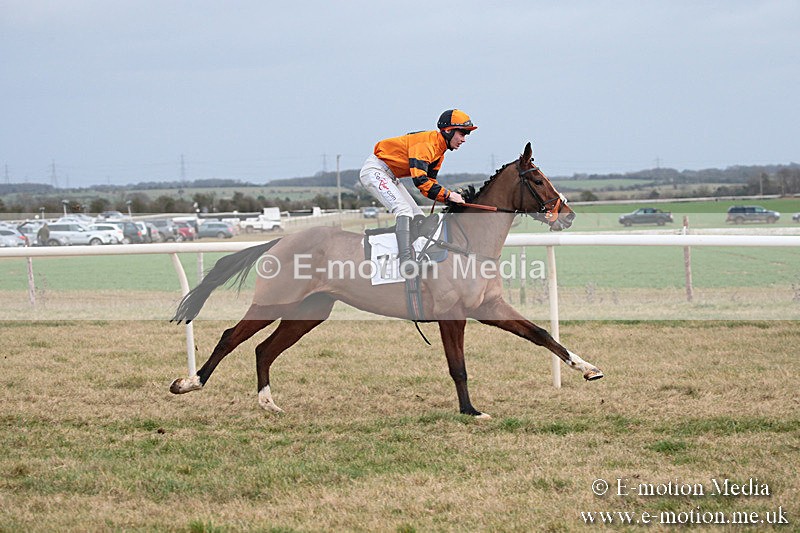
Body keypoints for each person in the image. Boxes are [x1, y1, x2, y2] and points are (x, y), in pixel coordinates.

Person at [359, 109, 476, 275]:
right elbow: (420, 181)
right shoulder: (427, 145)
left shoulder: (439, 153)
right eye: (462, 134)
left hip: (391, 175)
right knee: (404, 210)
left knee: (418, 216)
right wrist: (449, 195)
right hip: (375, 170)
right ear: (448, 131)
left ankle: (406, 251)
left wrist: (450, 199)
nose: (464, 139)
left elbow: (429, 186)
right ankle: (405, 262)